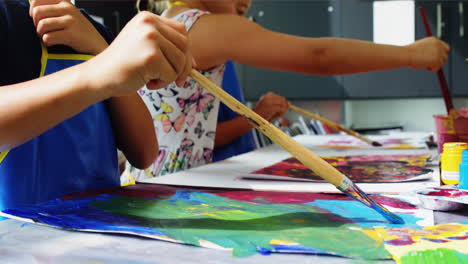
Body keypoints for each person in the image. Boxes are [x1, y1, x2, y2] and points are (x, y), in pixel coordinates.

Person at [130, 0, 449, 179]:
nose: (248, 1)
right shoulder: (203, 25)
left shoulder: (173, 20)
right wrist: (411, 54)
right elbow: (319, 57)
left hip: (162, 179)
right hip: (173, 187)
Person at [0, 0, 192, 212]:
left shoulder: (94, 31)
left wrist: (101, 49)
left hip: (104, 228)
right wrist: (103, 68)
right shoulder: (7, 19)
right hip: (19, 237)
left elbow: (144, 153)